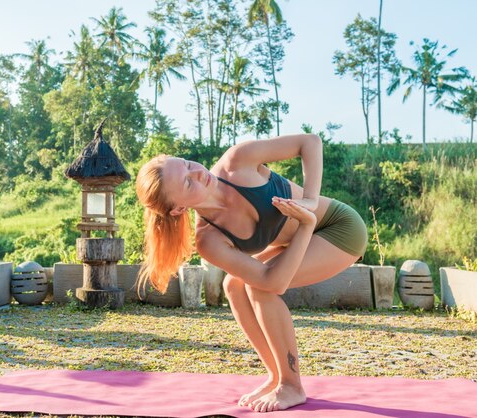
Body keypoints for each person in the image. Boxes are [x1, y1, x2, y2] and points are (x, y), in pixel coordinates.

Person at [135, 134, 368, 413]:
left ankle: (291, 385)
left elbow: (311, 143)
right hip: (305, 234)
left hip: (340, 228)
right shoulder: (209, 239)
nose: (197, 172)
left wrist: (310, 202)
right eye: (187, 182)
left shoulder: (237, 162)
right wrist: (305, 225)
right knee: (234, 285)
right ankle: (276, 376)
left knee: (261, 287)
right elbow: (276, 279)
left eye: (186, 164)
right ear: (179, 209)